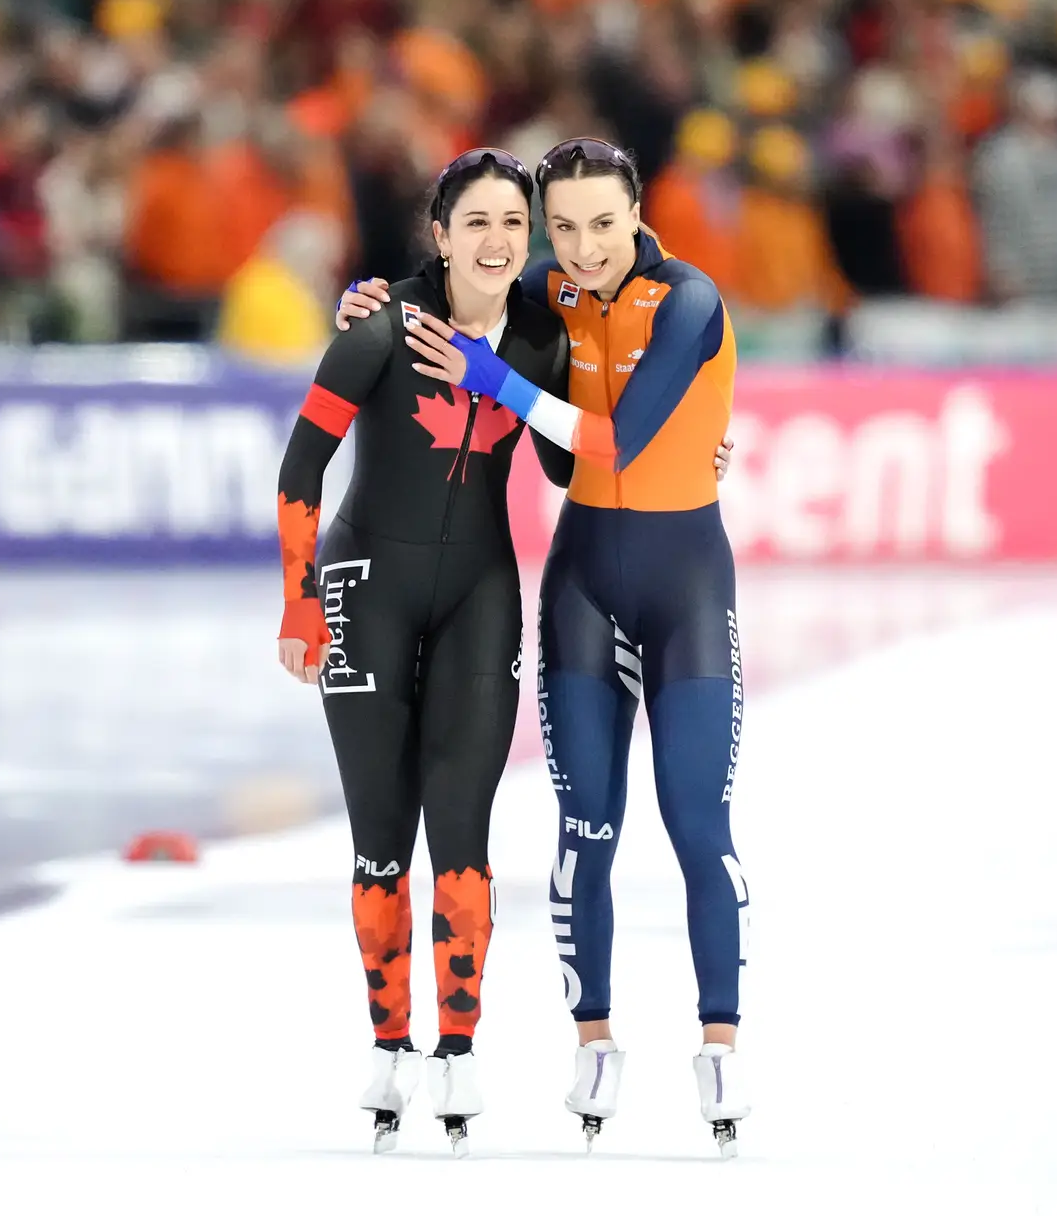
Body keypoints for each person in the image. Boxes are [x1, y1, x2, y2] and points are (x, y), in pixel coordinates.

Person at [277, 146, 730, 1155]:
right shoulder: (384, 324)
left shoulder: (536, 330)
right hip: (365, 594)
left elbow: (578, 458)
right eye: (476, 222)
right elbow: (302, 463)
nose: (500, 241)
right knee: (380, 834)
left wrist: (701, 437)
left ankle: (460, 1046)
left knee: (465, 828)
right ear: (439, 233)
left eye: (513, 226)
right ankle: (390, 1038)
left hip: (482, 592)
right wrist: (300, 600)